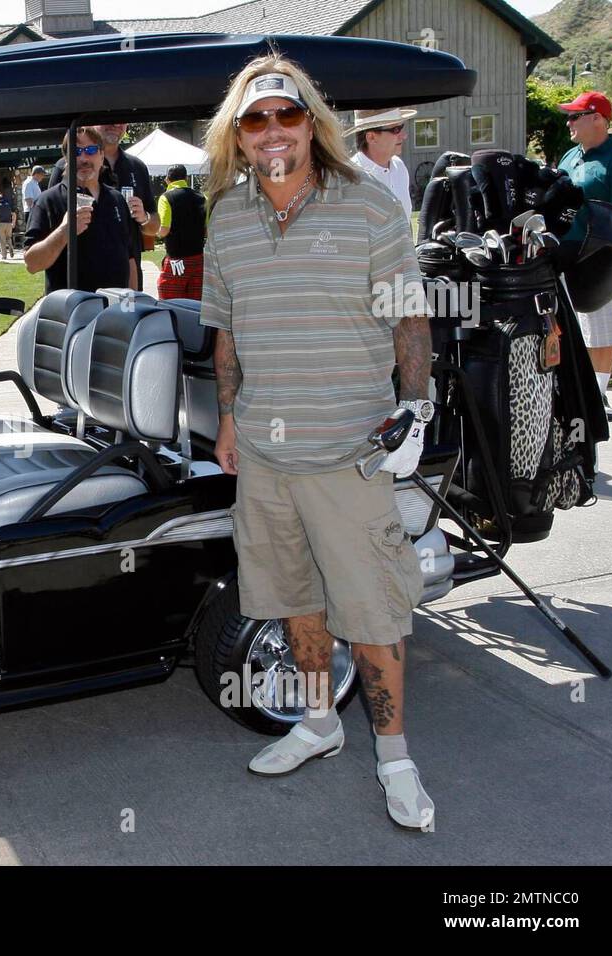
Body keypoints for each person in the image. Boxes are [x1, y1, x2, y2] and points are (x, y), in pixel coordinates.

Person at [199, 59, 436, 830]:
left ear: (313, 123)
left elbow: (409, 318)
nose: (272, 131)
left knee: (371, 612)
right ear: (238, 134)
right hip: (267, 457)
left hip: (350, 450)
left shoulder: (368, 204)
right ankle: (319, 724)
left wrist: (417, 409)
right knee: (294, 602)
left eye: (286, 116)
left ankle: (395, 759)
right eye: (255, 119)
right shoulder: (226, 216)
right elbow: (226, 328)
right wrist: (230, 416)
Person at [557, 90, 612, 422]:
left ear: (597, 118)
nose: (568, 122)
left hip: (602, 256)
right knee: (572, 325)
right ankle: (580, 387)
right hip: (566, 254)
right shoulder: (569, 157)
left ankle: (598, 393)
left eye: (575, 116)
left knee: (601, 326)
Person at [48, 123, 158, 290]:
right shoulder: (67, 164)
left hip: (124, 288)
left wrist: (144, 218)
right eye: (108, 119)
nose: (115, 125)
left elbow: (154, 227)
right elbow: (50, 217)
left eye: (121, 120)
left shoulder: (137, 167)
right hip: (75, 289)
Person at [24, 127, 131, 294]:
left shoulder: (116, 199)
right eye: (76, 151)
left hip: (116, 312)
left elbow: (129, 258)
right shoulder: (48, 201)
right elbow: (32, 264)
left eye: (91, 150)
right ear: (66, 159)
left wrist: (131, 306)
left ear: (102, 155)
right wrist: (64, 231)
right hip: (71, 313)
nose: (83, 158)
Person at [348, 106, 417, 222]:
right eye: (396, 130)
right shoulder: (350, 178)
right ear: (371, 137)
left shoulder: (399, 167)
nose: (404, 136)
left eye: (401, 127)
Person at [155, 164, 206, 300]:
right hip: (198, 259)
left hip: (176, 260)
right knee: (196, 304)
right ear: (186, 178)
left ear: (167, 179)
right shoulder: (202, 197)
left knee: (170, 302)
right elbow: (207, 229)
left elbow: (164, 230)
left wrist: (154, 233)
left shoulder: (166, 198)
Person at [0, 193, 16, 259]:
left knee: (2, 240)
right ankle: (11, 246)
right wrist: (13, 223)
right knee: (8, 238)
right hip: (9, 224)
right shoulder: (8, 205)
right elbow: (14, 214)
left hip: (1, 224)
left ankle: (4, 255)